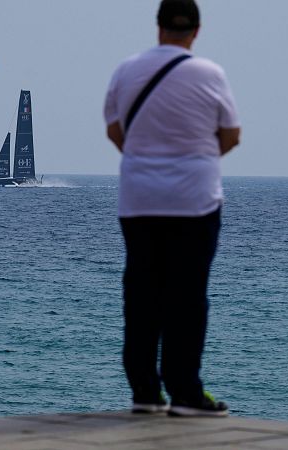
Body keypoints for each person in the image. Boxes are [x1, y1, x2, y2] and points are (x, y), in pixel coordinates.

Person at [103, 0, 240, 417]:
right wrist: (193, 159)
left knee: (141, 292)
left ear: (158, 27)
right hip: (194, 201)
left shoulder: (127, 70)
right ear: (196, 31)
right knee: (188, 295)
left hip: (139, 200)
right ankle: (185, 391)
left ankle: (144, 390)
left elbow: (113, 129)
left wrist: (146, 160)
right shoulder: (210, 73)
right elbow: (231, 135)